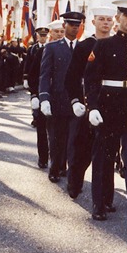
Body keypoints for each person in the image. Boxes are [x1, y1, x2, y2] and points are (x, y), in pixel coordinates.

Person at [84, 1, 127, 229]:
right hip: (108, 106)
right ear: (118, 18)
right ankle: (99, 204)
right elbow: (91, 80)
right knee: (103, 157)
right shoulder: (103, 46)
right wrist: (92, 107)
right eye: (126, 15)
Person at [65, 7, 116, 203]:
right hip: (87, 104)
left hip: (110, 104)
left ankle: (105, 198)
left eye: (109, 19)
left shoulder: (115, 44)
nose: (105, 23)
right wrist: (76, 101)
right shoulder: (85, 46)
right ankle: (74, 182)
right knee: (82, 150)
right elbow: (72, 77)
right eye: (101, 19)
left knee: (107, 154)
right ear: (93, 22)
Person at [38, 10, 86, 182]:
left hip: (77, 101)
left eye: (77, 25)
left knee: (73, 138)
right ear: (64, 25)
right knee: (56, 136)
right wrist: (44, 98)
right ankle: (55, 166)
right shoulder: (52, 47)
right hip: (58, 98)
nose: (74, 28)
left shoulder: (84, 48)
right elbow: (45, 74)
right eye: (71, 25)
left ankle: (66, 165)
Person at [25, 26, 50, 169]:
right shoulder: (36, 50)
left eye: (45, 35)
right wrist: (33, 92)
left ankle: (58, 160)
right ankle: (43, 158)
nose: (43, 37)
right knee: (41, 126)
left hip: (57, 95)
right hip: (40, 90)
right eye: (41, 35)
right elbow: (31, 68)